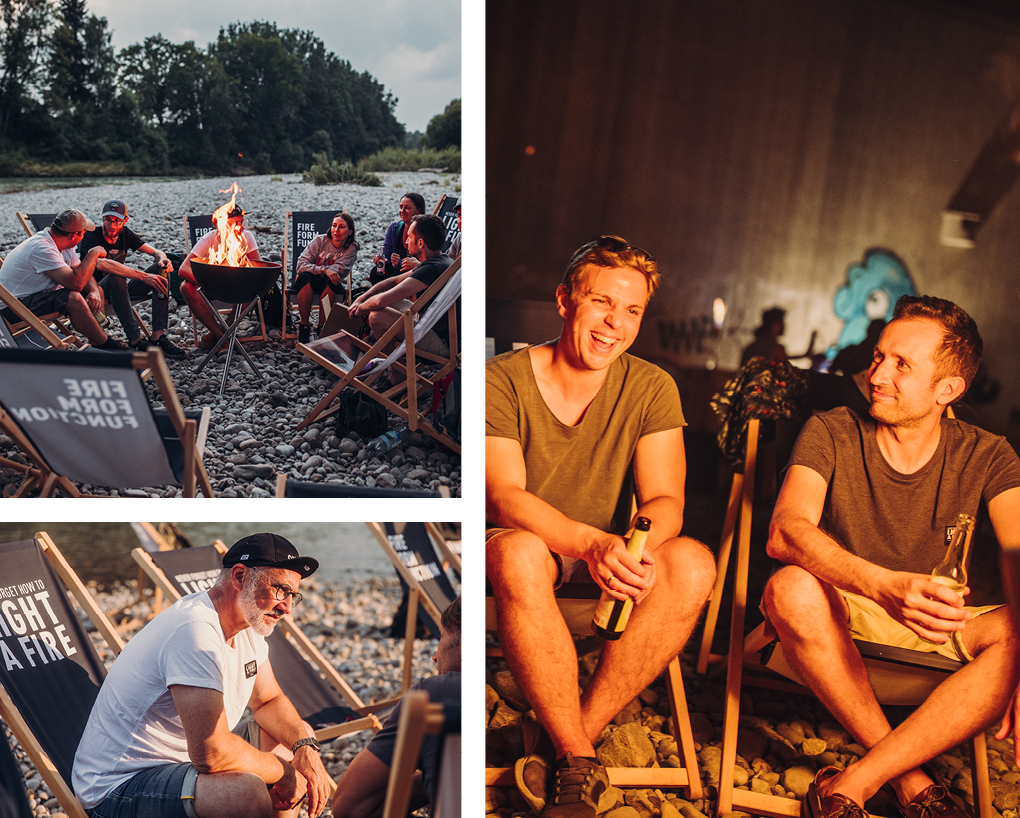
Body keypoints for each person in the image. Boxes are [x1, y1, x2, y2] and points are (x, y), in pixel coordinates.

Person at [763, 295, 1020, 818]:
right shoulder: (831, 429)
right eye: (880, 356)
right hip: (837, 616)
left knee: (1018, 631)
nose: (877, 374)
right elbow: (785, 531)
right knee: (789, 586)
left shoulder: (988, 453)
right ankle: (911, 781)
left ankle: (853, 782)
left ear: (948, 389)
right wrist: (882, 585)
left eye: (902, 364)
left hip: (932, 624)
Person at [485, 235, 715, 818]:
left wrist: (635, 547)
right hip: (527, 552)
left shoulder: (652, 386)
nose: (616, 323)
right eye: (602, 302)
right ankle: (579, 754)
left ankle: (566, 746)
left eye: (632, 310)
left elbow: (665, 498)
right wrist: (592, 545)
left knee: (693, 563)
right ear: (565, 300)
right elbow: (504, 498)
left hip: (608, 552)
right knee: (519, 551)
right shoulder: (500, 379)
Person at [72, 533, 332, 818]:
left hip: (182, 767)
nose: (288, 607)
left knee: (294, 735)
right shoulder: (193, 631)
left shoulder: (247, 628)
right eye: (281, 590)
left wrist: (304, 748)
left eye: (293, 595)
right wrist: (285, 772)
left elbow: (268, 700)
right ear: (240, 577)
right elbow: (211, 754)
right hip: (119, 787)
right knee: (243, 794)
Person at [331, 596, 461, 818]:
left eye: (441, 636)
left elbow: (349, 808)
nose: (434, 656)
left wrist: (429, 779)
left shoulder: (434, 694)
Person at [0, 209, 126, 350]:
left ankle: (96, 342)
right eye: (83, 233)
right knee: (73, 299)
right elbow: (76, 283)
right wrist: (93, 254)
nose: (84, 236)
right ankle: (107, 345)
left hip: (33, 297)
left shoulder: (63, 243)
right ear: (75, 235)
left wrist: (94, 291)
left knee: (97, 290)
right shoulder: (42, 248)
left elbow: (81, 272)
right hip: (12, 309)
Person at [78, 199, 185, 357]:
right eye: (107, 220)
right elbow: (101, 264)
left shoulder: (125, 234)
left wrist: (164, 260)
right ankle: (136, 340)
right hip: (96, 291)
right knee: (116, 276)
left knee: (160, 270)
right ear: (102, 219)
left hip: (120, 291)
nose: (112, 225)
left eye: (117, 221)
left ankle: (158, 335)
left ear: (125, 220)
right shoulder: (91, 236)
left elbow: (156, 252)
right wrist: (143, 276)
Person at [348, 214, 455, 357]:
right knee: (381, 301)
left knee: (376, 316)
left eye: (409, 237)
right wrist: (361, 299)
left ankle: (394, 368)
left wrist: (359, 309)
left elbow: (381, 301)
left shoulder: (432, 268)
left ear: (421, 243)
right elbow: (393, 281)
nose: (406, 241)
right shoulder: (441, 261)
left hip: (443, 344)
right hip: (429, 323)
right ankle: (377, 343)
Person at [179, 205, 262, 350]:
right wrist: (208, 285)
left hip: (237, 286)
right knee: (185, 287)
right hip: (210, 287)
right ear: (223, 224)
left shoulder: (246, 237)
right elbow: (183, 269)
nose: (241, 227)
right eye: (236, 223)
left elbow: (259, 269)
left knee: (253, 284)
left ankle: (221, 334)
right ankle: (220, 336)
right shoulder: (208, 239)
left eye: (241, 222)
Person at [294, 212, 359, 344]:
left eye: (341, 227)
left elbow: (339, 270)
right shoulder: (320, 241)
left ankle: (322, 327)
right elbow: (300, 265)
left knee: (331, 279)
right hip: (310, 280)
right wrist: (324, 270)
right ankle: (304, 326)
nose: (336, 230)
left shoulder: (351, 248)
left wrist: (317, 270)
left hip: (330, 283)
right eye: (334, 225)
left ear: (350, 231)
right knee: (305, 276)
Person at [371, 193, 425, 283]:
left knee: (398, 274)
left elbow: (427, 261)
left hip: (416, 270)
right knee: (376, 272)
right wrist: (381, 259)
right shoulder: (394, 228)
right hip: (396, 268)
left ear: (418, 210)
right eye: (401, 207)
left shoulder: (424, 231)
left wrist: (398, 263)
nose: (402, 211)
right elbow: (387, 255)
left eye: (407, 208)